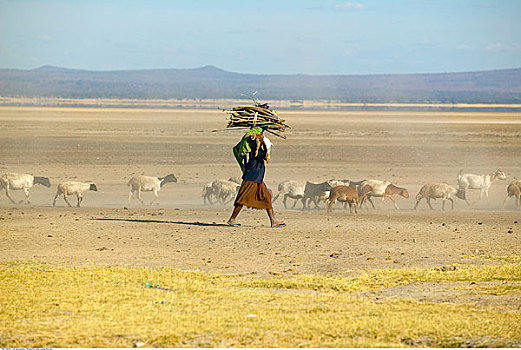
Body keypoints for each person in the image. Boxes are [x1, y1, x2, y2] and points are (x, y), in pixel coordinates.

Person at [227, 126, 286, 227]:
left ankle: (273, 221)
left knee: (266, 197)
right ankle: (232, 219)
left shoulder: (259, 144)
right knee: (242, 198)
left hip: (258, 177)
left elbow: (264, 155)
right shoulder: (254, 145)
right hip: (252, 176)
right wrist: (261, 142)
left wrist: (263, 143)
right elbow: (260, 155)